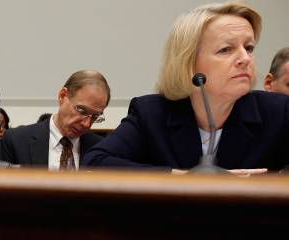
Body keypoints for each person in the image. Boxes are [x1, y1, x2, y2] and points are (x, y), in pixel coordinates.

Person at [82, 2, 289, 173]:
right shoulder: (151, 113)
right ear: (188, 62)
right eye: (226, 49)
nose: (245, 58)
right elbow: (95, 161)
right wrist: (182, 178)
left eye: (249, 47)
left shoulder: (279, 111)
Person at [0, 70, 109, 169]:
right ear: (62, 96)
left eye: (95, 116)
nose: (87, 124)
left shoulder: (101, 149)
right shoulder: (15, 141)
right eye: (82, 111)